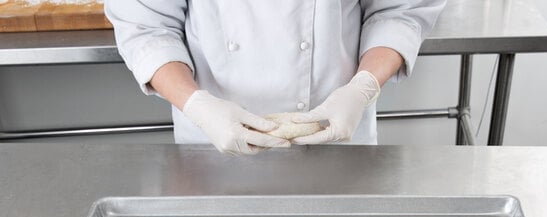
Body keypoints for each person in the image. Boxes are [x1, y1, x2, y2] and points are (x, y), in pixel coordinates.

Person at [105, 1, 446, 155]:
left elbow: (398, 11)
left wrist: (362, 87)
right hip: (212, 149)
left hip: (337, 143)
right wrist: (197, 105)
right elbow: (148, 27)